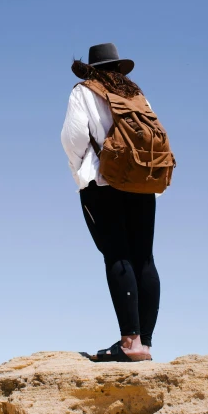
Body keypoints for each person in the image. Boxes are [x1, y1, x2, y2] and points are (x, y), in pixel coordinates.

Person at [61, 42, 161, 363]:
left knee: (117, 255)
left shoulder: (83, 92)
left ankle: (129, 344)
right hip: (143, 183)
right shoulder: (136, 95)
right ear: (118, 69)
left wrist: (83, 175)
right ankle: (143, 343)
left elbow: (74, 138)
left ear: (92, 69)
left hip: (103, 182)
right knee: (144, 258)